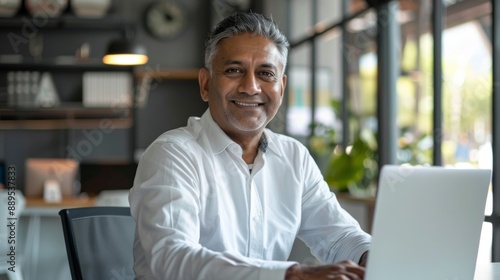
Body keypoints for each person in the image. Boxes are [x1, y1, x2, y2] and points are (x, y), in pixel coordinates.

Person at [129, 12, 371, 280]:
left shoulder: (294, 157)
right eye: (234, 70)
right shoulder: (172, 155)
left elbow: (339, 236)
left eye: (266, 73)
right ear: (206, 84)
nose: (251, 87)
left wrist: (371, 256)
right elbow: (172, 258)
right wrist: (291, 275)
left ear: (282, 86)